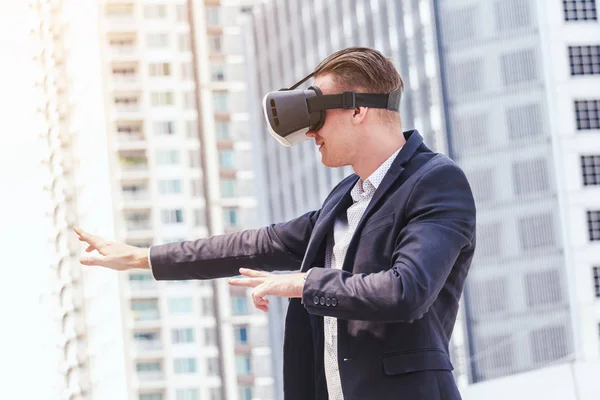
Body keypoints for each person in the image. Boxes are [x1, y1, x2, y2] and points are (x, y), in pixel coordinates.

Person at [75, 47, 476, 400]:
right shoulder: (343, 199)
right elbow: (255, 245)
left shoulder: (435, 181)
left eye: (318, 112)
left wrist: (303, 283)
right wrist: (142, 257)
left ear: (358, 109)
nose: (311, 131)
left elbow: (406, 291)